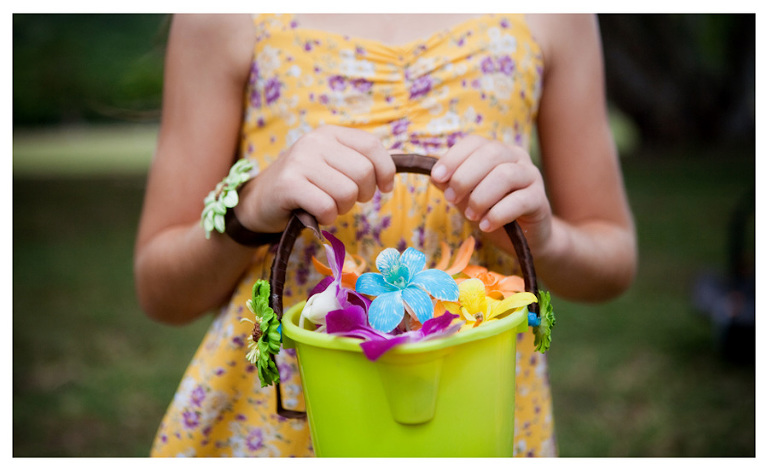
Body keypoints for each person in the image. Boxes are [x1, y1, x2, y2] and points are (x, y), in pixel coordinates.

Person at [134, 13, 636, 457]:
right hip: (282, 421)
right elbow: (161, 294)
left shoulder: (558, 17)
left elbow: (613, 260)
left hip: (474, 410)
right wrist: (252, 208)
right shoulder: (218, 18)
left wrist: (543, 241)